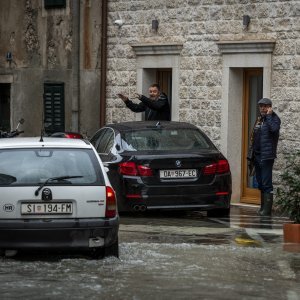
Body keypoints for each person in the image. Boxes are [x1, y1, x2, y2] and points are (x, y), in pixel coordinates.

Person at [248, 98, 281, 216]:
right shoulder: (259, 120)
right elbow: (254, 136)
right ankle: (262, 208)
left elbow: (274, 129)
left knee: (266, 183)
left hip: (266, 156)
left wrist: (269, 116)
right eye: (261, 106)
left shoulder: (274, 119)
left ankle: (266, 211)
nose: (262, 108)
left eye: (265, 106)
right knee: (261, 183)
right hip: (257, 156)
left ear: (270, 107)